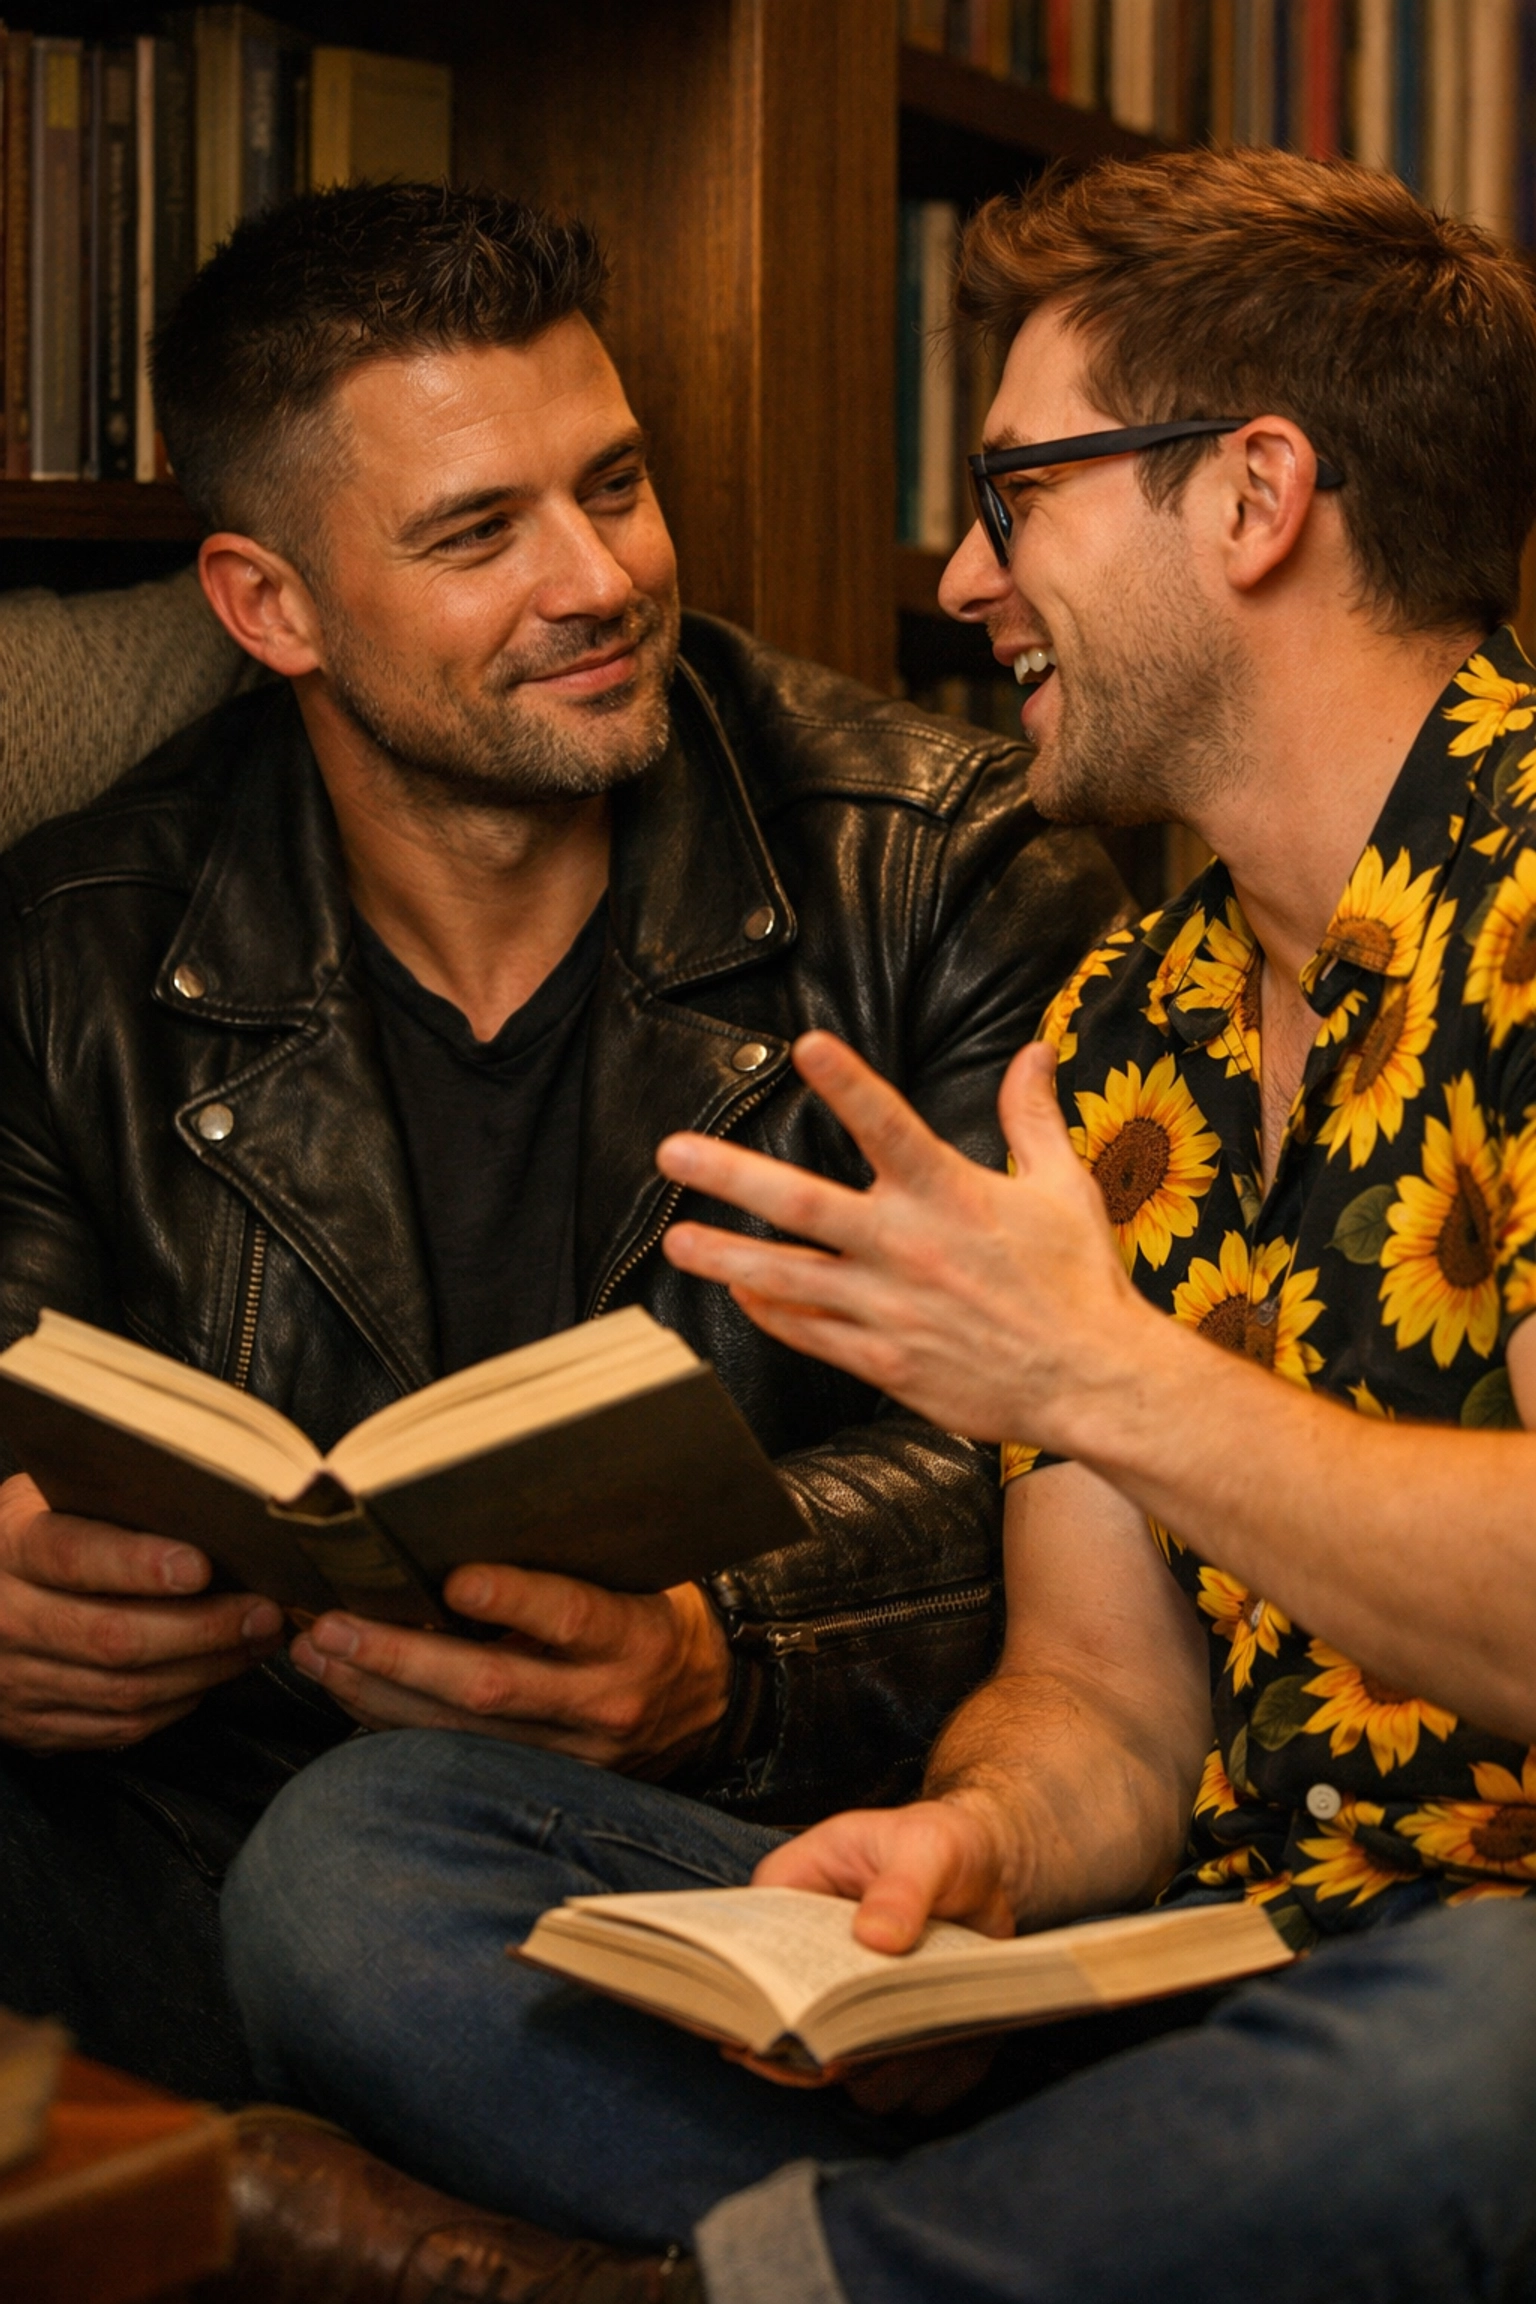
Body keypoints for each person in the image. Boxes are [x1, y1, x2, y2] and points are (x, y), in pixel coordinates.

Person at [222, 147, 1536, 2303]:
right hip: (1174, 2012)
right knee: (364, 1863)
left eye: (1018, 495)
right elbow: (1110, 1708)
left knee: (1491, 2046)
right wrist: (982, 1850)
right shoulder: (1129, 1018)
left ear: (1254, 495)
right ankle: (1026, 2249)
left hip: (1448, 2007)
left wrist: (1091, 1374)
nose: (957, 577)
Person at [0, 177, 1122, 2135]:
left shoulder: (938, 870)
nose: (596, 577)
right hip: (200, 1848)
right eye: (477, 533)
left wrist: (728, 1654)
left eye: (611, 484)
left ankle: (345, 2196)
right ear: (270, 604)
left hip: (749, 1851)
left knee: (357, 1866)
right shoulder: (69, 951)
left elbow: (1082, 1450)